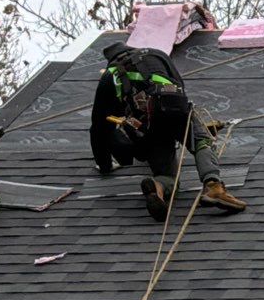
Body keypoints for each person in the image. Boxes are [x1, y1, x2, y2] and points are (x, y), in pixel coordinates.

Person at [90, 41, 248, 221]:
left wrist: (104, 165)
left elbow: (98, 127)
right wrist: (190, 126)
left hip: (146, 124)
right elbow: (179, 85)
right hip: (175, 108)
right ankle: (213, 186)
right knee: (201, 141)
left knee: (166, 174)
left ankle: (157, 187)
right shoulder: (156, 53)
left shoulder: (110, 75)